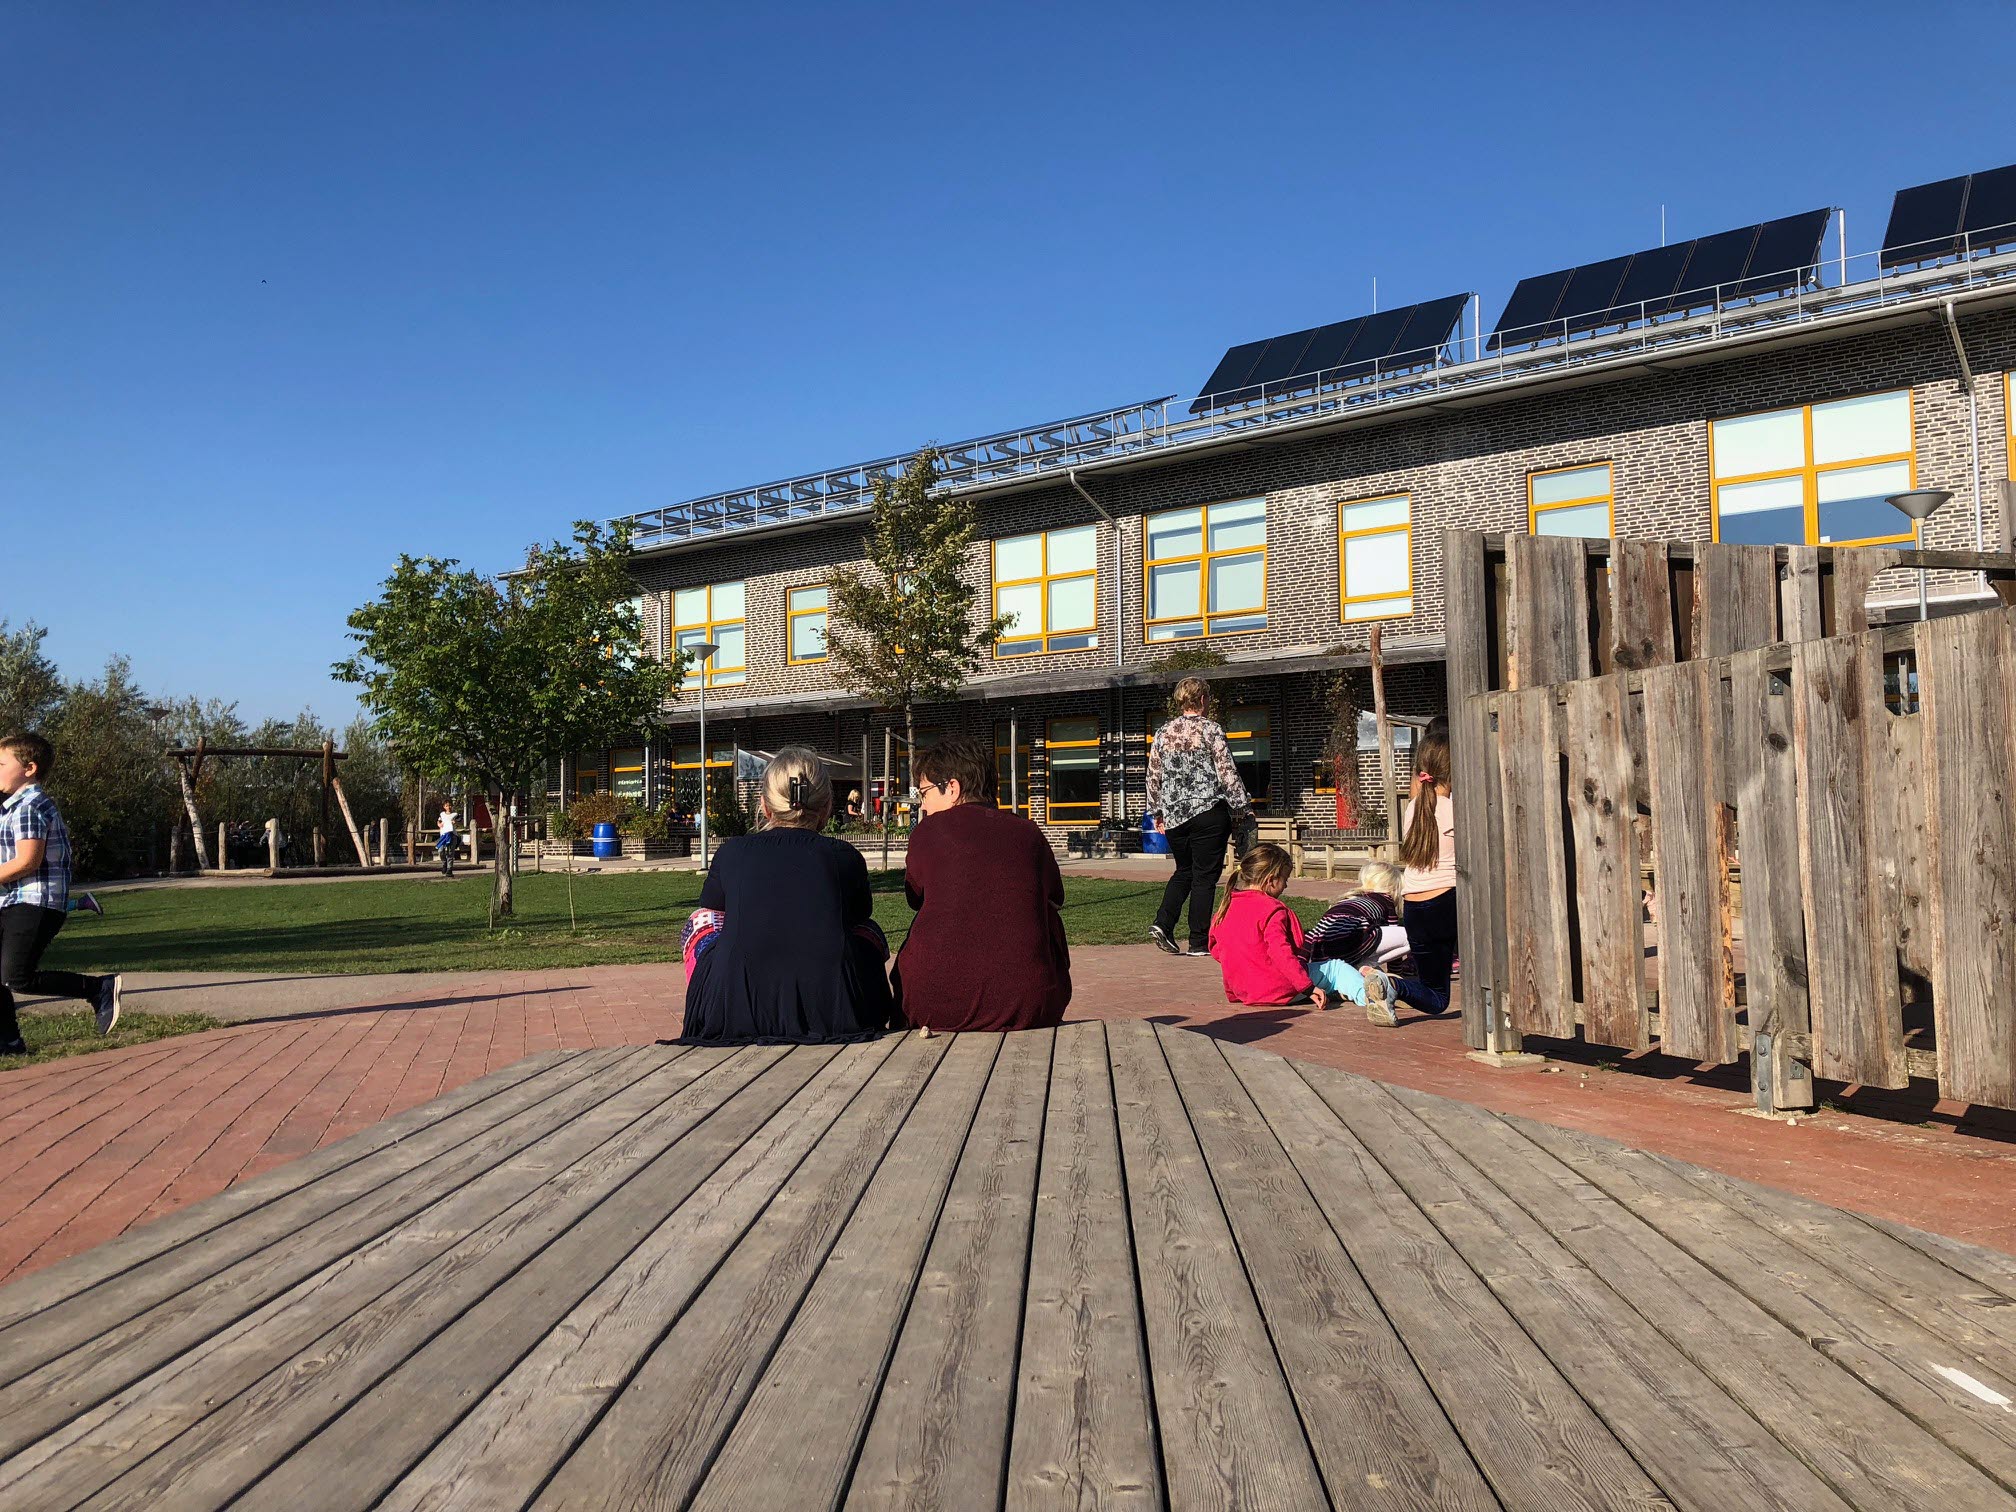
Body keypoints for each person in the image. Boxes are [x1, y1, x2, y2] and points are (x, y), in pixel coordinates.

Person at [678, 747, 897, 1044]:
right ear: (826, 806)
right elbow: (860, 913)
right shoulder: (845, 856)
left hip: (739, 1006)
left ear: (765, 806)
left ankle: (711, 1008)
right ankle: (870, 1006)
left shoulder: (732, 852)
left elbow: (712, 908)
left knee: (700, 921)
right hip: (833, 1007)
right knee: (866, 929)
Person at [891, 735, 1070, 1033]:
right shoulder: (1028, 833)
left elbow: (915, 897)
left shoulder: (928, 831)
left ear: (951, 788)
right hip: (1029, 1006)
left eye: (924, 793)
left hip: (932, 1006)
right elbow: (1055, 897)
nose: (922, 806)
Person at [0, 732, 122, 1055]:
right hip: (14, 900)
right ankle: (10, 1042)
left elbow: (28, 861)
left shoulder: (29, 806)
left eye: (1, 764)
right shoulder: (13, 806)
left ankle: (98, 988)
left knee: (17, 978)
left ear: (29, 768)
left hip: (34, 901)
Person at [1147, 677, 1252, 957]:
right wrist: (1242, 807)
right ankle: (1197, 941)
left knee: (1184, 871)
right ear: (1203, 699)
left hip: (1175, 815)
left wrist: (1157, 811)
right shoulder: (1211, 730)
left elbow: (1153, 775)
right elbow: (1227, 772)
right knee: (1205, 876)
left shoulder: (1163, 733)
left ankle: (1163, 922)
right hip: (1208, 811)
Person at [1361, 731, 1457, 1027]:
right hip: (1448, 901)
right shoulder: (1457, 810)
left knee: (1435, 993)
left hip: (1414, 906)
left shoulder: (1413, 809)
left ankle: (1393, 986)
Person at [1206, 843, 1312, 1006]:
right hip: (1280, 989)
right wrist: (1307, 987)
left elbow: (1216, 950)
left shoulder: (1225, 908)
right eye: (1285, 879)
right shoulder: (1271, 909)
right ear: (1271, 880)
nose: (1286, 885)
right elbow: (1280, 952)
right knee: (1335, 969)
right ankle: (1363, 994)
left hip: (1243, 991)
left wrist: (1244, 962)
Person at [1303, 861, 1409, 1011]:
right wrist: (1397, 972)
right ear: (1393, 887)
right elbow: (1393, 930)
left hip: (1323, 947)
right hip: (1354, 936)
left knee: (1366, 943)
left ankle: (1353, 975)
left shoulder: (1350, 898)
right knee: (1412, 936)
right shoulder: (1386, 899)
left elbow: (1315, 933)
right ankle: (1362, 970)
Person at [436, 801, 458, 878]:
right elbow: (438, 821)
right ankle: (444, 863)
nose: (448, 807)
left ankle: (449, 869)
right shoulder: (442, 814)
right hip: (443, 835)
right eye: (446, 806)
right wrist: (439, 824)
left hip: (452, 835)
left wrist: (455, 822)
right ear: (444, 807)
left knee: (450, 852)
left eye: (449, 806)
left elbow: (459, 819)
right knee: (440, 850)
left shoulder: (454, 814)